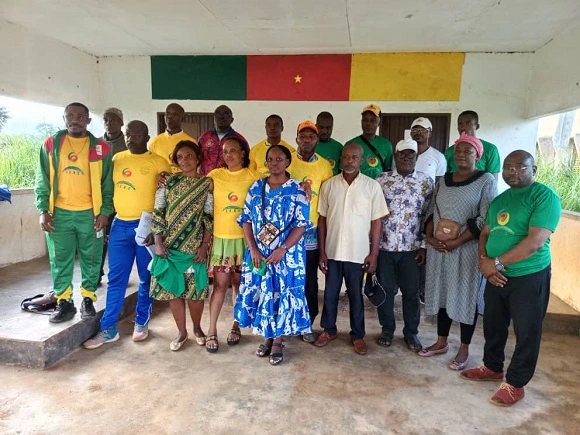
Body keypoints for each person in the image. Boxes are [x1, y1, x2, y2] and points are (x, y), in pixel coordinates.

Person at [461, 150, 561, 407]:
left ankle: (516, 384)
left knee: (527, 330)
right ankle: (492, 368)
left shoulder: (544, 196)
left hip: (528, 276)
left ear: (534, 170)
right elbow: (485, 233)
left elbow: (535, 242)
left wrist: (494, 263)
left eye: (520, 167)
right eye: (508, 167)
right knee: (493, 324)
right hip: (496, 274)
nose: (513, 171)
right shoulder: (500, 199)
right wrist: (486, 263)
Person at [83, 121, 170, 349]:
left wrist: (157, 230)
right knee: (116, 280)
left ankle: (141, 322)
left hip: (146, 226)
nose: (132, 138)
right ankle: (108, 328)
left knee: (146, 277)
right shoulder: (117, 158)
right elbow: (107, 189)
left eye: (137, 134)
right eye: (129, 134)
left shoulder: (159, 162)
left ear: (147, 137)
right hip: (120, 224)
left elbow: (167, 198)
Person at [418, 133, 497, 370]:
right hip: (439, 249)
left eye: (468, 151)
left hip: (468, 249)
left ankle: (464, 347)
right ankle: (441, 342)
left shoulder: (485, 181)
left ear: (478, 155)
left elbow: (486, 218)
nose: (461, 155)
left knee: (465, 294)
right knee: (443, 292)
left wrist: (458, 241)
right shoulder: (443, 180)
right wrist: (430, 237)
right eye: (458, 151)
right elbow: (432, 210)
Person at [35, 102, 113, 323]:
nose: (75, 119)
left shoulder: (101, 148)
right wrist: (43, 210)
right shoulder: (51, 145)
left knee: (92, 257)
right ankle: (64, 302)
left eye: (80, 116)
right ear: (64, 118)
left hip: (90, 214)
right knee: (60, 260)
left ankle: (87, 299)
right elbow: (42, 179)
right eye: (70, 115)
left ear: (88, 120)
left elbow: (107, 184)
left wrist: (104, 211)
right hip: (58, 214)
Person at [235, 145, 312, 366]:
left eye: (279, 158)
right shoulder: (256, 187)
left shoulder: (298, 190)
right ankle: (267, 337)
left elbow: (301, 225)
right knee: (264, 292)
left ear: (288, 162)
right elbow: (246, 220)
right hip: (259, 254)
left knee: (282, 293)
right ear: (266, 162)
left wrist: (282, 248)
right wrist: (253, 249)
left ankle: (278, 340)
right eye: (270, 159)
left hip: (287, 256)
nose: (274, 162)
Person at [314, 142, 389, 355]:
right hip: (333, 251)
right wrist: (322, 251)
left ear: (361, 161)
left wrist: (374, 254)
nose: (349, 161)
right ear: (341, 159)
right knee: (330, 294)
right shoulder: (329, 185)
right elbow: (322, 220)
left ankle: (358, 335)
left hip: (358, 253)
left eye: (354, 157)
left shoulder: (371, 187)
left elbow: (377, 222)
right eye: (346, 157)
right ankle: (329, 329)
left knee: (356, 295)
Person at [150, 141, 212, 351]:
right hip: (168, 247)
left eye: (189, 156)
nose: (185, 160)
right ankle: (181, 332)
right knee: (174, 293)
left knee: (195, 294)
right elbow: (158, 211)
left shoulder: (206, 184)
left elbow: (208, 216)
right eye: (180, 157)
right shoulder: (167, 182)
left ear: (198, 159)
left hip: (193, 249)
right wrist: (158, 242)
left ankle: (196, 328)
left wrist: (204, 245)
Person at [375, 138, 434, 351]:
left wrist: (425, 245)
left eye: (411, 154)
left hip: (412, 249)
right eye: (402, 154)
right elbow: (373, 215)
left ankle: (411, 333)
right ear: (395, 157)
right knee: (386, 292)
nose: (406, 157)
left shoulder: (426, 182)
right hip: (384, 247)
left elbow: (430, 216)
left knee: (411, 293)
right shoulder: (381, 180)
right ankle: (387, 330)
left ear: (417, 158)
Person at [205, 136, 260, 353]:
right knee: (219, 286)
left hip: (245, 241)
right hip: (221, 240)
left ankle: (236, 326)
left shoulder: (253, 177)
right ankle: (212, 330)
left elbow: (275, 187)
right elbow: (194, 190)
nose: (229, 155)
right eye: (225, 151)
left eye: (233, 151)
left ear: (243, 153)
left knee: (239, 285)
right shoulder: (215, 176)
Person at [288, 120, 333, 342]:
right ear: (296, 138)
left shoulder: (324, 166)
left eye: (311, 137)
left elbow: (324, 204)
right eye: (302, 136)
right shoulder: (286, 161)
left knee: (309, 281)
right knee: (288, 279)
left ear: (317, 140)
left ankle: (306, 324)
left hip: (311, 233)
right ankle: (286, 323)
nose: (306, 140)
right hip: (287, 233)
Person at [98, 107, 127, 286]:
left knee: (120, 240)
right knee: (100, 237)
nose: (109, 123)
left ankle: (121, 275)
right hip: (102, 200)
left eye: (114, 119)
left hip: (123, 199)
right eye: (106, 119)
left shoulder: (129, 144)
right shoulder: (96, 144)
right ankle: (97, 273)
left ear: (121, 122)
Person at [445, 110, 501, 179]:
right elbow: (446, 176)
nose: (463, 127)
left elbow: (493, 180)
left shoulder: (490, 149)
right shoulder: (450, 151)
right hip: (454, 188)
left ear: (477, 126)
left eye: (468, 123)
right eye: (460, 124)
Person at [344, 104, 393, 179]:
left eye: (373, 120)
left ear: (379, 122)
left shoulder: (386, 145)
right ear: (361, 122)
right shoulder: (350, 145)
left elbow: (388, 172)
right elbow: (344, 172)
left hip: (378, 187)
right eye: (365, 120)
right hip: (356, 187)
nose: (368, 124)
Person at [198, 105, 247, 176]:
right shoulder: (204, 137)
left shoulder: (239, 139)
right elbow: (197, 159)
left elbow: (246, 161)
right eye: (218, 114)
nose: (221, 117)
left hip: (229, 181)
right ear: (214, 118)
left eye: (226, 114)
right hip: (206, 180)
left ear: (232, 120)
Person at [149, 103, 196, 173]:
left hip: (183, 182)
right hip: (161, 183)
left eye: (175, 114)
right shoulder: (155, 141)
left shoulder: (191, 142)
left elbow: (195, 168)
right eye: (167, 113)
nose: (170, 117)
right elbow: (151, 167)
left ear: (182, 118)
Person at [409, 117, 446, 182]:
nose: (418, 133)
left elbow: (439, 183)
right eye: (415, 130)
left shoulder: (439, 157)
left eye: (423, 130)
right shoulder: (402, 155)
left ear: (430, 134)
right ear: (411, 133)